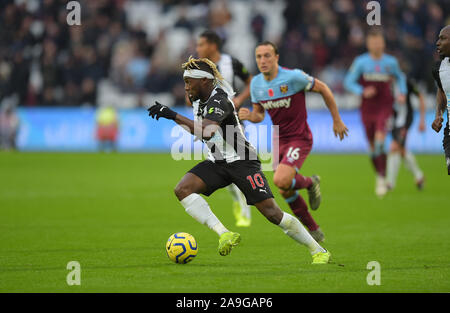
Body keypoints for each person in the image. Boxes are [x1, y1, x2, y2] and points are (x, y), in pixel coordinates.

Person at [147, 56, 331, 264]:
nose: (186, 87)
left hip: (242, 161)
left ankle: (318, 250)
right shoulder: (199, 100)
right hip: (217, 161)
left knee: (272, 214)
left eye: (190, 82)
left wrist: (172, 115)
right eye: (185, 81)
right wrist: (176, 117)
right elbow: (200, 132)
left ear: (205, 81)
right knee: (183, 189)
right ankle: (224, 234)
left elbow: (206, 132)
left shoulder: (220, 99)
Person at [239, 41, 348, 243]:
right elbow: (260, 115)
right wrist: (249, 116)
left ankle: (310, 182)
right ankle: (313, 228)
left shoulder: (293, 77)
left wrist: (337, 119)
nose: (263, 60)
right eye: (259, 56)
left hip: (299, 137)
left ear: (277, 57)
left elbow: (323, 88)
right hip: (278, 138)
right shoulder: (256, 84)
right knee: (284, 189)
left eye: (267, 55)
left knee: (280, 180)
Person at [191, 30, 253, 227]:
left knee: (238, 162)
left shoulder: (231, 63)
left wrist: (239, 100)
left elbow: (251, 82)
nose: (198, 48)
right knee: (220, 163)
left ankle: (245, 210)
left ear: (213, 45)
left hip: (231, 120)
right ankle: (237, 198)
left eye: (201, 44)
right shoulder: (198, 67)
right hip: (209, 122)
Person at [344, 29, 407, 197]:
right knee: (372, 147)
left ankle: (382, 177)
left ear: (383, 43)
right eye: (373, 42)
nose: (376, 45)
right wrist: (362, 90)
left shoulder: (391, 62)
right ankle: (380, 173)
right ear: (368, 44)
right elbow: (348, 81)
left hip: (385, 106)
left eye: (379, 42)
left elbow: (400, 78)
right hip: (367, 108)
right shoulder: (361, 62)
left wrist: (402, 93)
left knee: (380, 141)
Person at [386, 78, 426, 190]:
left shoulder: (406, 81)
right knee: (402, 151)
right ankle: (419, 176)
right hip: (393, 122)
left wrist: (422, 120)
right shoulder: (387, 83)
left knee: (394, 147)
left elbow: (421, 97)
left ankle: (390, 183)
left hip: (405, 121)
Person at [431, 25, 450, 175]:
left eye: (443, 38)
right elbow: (442, 91)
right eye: (438, 38)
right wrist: (438, 114)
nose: (438, 42)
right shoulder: (439, 69)